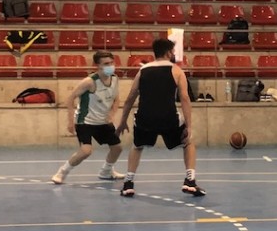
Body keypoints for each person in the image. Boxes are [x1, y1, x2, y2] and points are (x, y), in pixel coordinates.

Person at [115, 38, 204, 198]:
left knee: (137, 146)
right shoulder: (176, 71)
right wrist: (189, 126)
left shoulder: (142, 71)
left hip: (145, 118)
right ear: (169, 52)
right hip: (168, 117)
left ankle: (128, 184)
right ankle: (190, 180)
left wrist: (122, 122)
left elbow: (129, 98)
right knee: (188, 143)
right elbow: (184, 98)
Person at [51, 51, 124, 184]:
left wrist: (111, 114)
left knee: (117, 148)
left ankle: (106, 171)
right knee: (86, 151)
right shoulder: (89, 82)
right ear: (97, 65)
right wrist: (70, 122)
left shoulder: (115, 79)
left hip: (103, 121)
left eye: (112, 62)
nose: (110, 66)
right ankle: (62, 172)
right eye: (106, 63)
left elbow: (117, 98)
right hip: (85, 121)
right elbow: (70, 98)